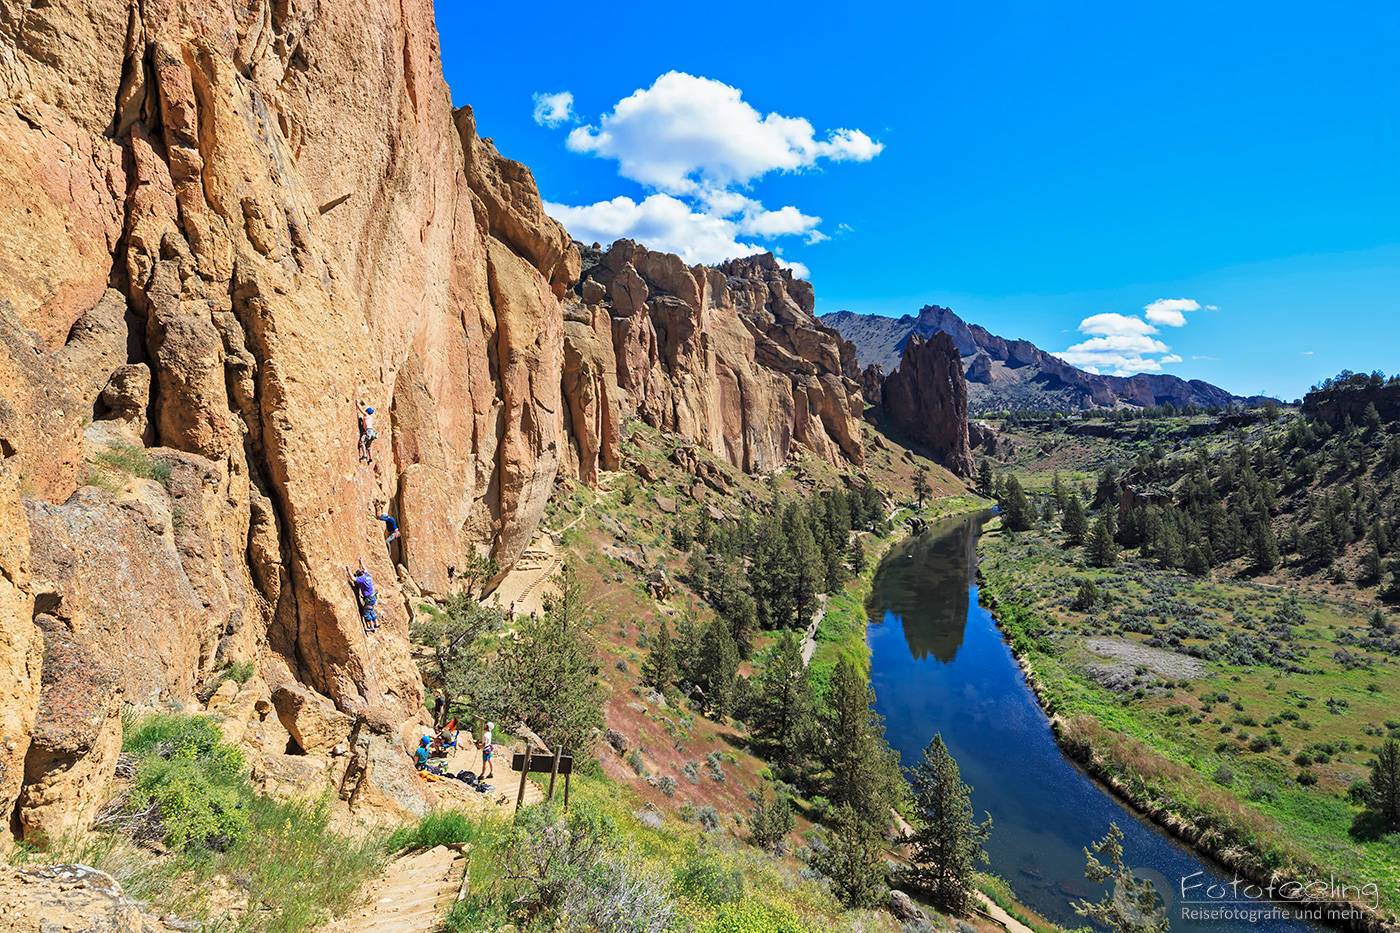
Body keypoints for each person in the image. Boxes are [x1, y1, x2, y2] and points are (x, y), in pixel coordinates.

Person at [346, 559, 378, 632]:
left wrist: (348, 570)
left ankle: (371, 627)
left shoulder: (362, 579)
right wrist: (361, 562)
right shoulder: (368, 576)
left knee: (366, 613)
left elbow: (353, 579)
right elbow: (365, 569)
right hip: (373, 597)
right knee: (371, 610)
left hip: (369, 598)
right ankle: (376, 623)